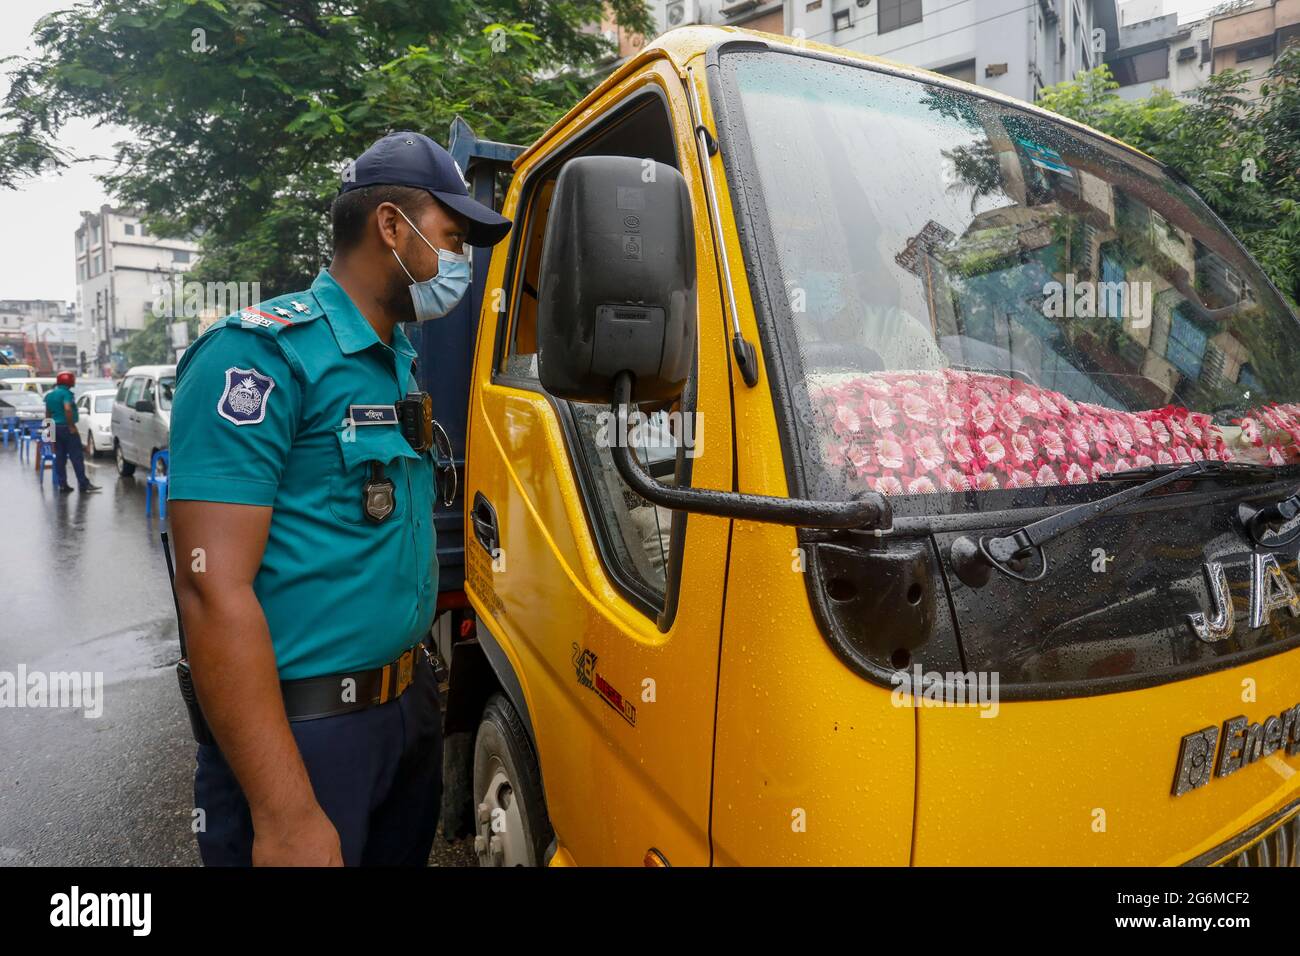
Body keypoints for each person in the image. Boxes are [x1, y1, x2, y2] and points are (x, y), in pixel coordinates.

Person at [168, 131, 511, 866]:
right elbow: (208, 586)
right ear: (392, 226)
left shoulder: (396, 362)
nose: (461, 264)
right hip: (303, 736)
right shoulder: (258, 356)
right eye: (452, 238)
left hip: (404, 713)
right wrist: (285, 812)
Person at [44, 371, 101, 494]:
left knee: (60, 457)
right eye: (73, 379)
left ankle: (63, 484)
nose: (74, 381)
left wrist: (49, 432)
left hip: (55, 428)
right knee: (76, 456)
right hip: (66, 428)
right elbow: (67, 409)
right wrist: (71, 426)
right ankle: (83, 484)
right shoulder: (66, 394)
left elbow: (47, 414)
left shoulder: (50, 395)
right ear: (68, 381)